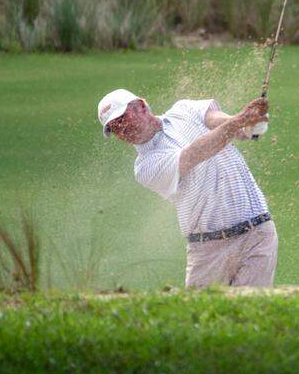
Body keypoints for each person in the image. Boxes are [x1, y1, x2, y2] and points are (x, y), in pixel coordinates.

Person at [97, 88, 277, 288]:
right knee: (204, 318)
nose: (121, 129)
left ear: (141, 106)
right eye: (113, 128)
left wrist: (250, 125)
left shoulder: (185, 109)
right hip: (208, 250)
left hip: (258, 234)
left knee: (251, 311)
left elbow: (224, 123)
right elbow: (195, 153)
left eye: (122, 118)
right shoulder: (145, 167)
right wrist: (240, 120)